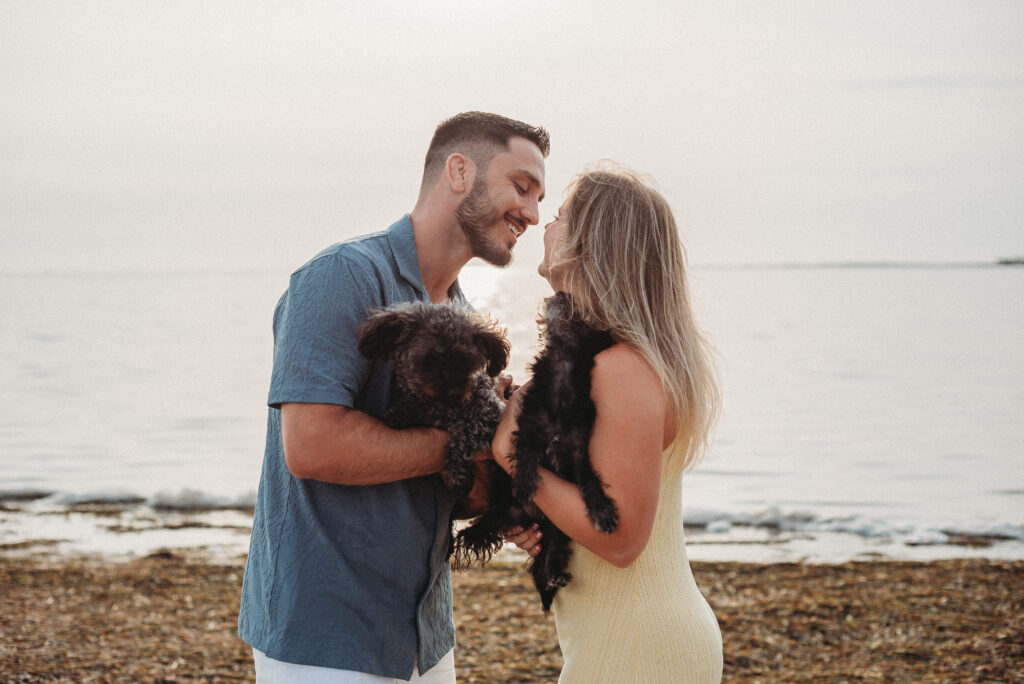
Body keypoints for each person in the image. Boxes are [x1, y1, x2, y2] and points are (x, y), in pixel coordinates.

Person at [238, 111, 549, 683]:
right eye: (521, 187)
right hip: (325, 635)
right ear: (459, 171)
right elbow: (311, 446)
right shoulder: (341, 277)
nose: (532, 213)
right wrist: (466, 445)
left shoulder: (464, 317)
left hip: (423, 635)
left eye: (538, 197)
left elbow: (444, 496)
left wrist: (506, 487)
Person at [495, 166, 723, 682]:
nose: (544, 226)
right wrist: (534, 516)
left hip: (641, 647)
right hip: (626, 637)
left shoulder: (620, 369)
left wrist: (513, 453)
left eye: (558, 217)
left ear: (585, 245)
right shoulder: (604, 361)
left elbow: (620, 538)